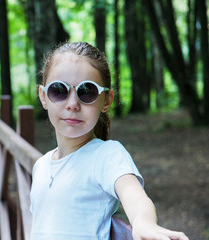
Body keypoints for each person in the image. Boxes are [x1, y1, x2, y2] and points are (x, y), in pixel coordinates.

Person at [30, 41, 188, 240]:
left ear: (106, 100)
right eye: (59, 90)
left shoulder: (107, 155)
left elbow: (135, 196)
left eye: (87, 92)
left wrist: (143, 222)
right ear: (43, 96)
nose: (72, 104)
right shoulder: (41, 165)